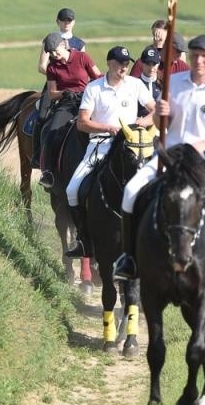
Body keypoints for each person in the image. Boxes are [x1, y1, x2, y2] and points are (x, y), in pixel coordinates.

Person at [113, 34, 205, 285]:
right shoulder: (174, 82)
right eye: (195, 55)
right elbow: (164, 125)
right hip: (171, 156)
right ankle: (129, 258)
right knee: (130, 190)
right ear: (188, 57)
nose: (200, 61)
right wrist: (160, 116)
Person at [63, 46, 154, 258]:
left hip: (130, 146)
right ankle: (84, 240)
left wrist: (144, 121)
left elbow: (155, 109)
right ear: (109, 63)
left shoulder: (135, 84)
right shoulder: (94, 88)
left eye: (126, 63)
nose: (124, 67)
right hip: (102, 144)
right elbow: (82, 123)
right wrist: (108, 128)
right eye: (120, 63)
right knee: (72, 190)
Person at [36, 31, 99, 190]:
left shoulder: (82, 58)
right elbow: (51, 93)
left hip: (87, 101)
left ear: (63, 45)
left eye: (56, 50)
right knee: (51, 132)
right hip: (66, 103)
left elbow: (98, 76)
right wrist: (64, 93)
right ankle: (48, 173)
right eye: (50, 53)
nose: (54, 55)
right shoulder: (52, 67)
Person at [37, 8, 85, 78]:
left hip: (74, 84)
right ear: (57, 21)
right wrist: (58, 78)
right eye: (63, 20)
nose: (66, 23)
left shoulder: (80, 44)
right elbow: (41, 67)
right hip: (54, 82)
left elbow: (82, 67)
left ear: (74, 22)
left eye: (69, 20)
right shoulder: (49, 40)